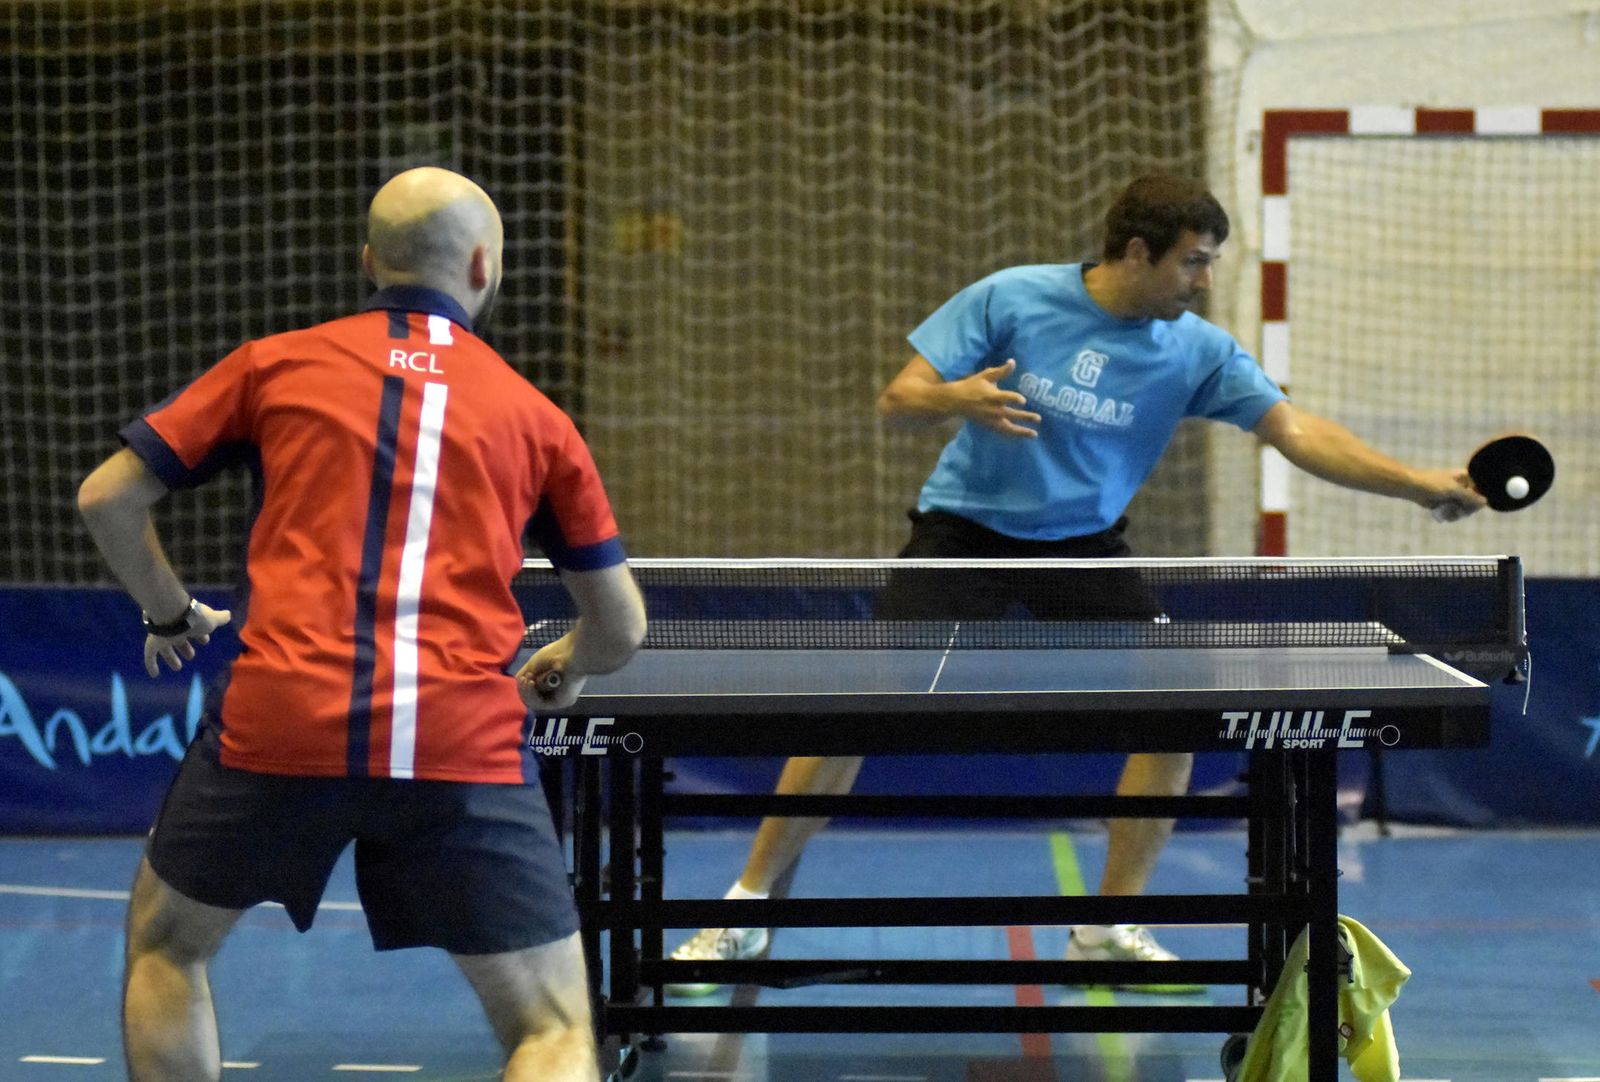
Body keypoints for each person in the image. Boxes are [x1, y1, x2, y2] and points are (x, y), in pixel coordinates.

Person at [665, 174, 1485, 996]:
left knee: (1175, 717)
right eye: (1193, 263)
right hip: (963, 534)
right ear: (1137, 252)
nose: (1205, 282)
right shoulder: (1012, 297)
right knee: (851, 714)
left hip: (1083, 548)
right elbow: (899, 400)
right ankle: (742, 915)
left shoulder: (1197, 350)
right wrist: (955, 396)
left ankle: (1105, 931)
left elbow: (1296, 430)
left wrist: (1416, 482)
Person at [77, 167, 646, 1082]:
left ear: (369, 261)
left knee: (167, 947)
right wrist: (563, 662)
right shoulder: (539, 420)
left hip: (281, 726)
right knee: (554, 1030)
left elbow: (107, 497)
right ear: (484, 266)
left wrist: (170, 610)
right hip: (459, 739)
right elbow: (619, 630)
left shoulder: (271, 364)